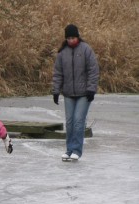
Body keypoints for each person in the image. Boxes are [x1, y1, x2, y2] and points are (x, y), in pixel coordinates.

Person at [53, 24, 99, 162]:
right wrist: (56, 91)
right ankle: (69, 150)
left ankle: (77, 151)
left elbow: (93, 71)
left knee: (78, 122)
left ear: (77, 37)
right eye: (68, 38)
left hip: (84, 94)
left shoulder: (86, 50)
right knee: (70, 122)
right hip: (68, 94)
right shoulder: (62, 53)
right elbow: (58, 74)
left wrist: (91, 89)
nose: (71, 40)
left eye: (73, 37)